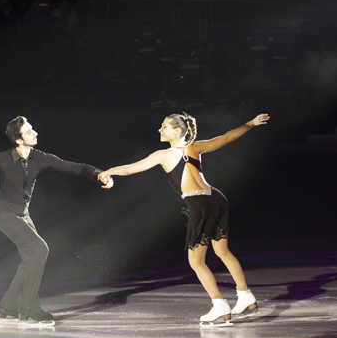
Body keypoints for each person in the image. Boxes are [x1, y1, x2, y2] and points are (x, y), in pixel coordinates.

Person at [99, 112, 269, 324]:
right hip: (216, 199)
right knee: (222, 251)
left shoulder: (163, 155)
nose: (160, 130)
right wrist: (250, 124)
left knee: (196, 262)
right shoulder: (194, 148)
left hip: (200, 205)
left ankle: (219, 304)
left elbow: (131, 169)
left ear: (176, 131)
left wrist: (109, 171)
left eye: (164, 126)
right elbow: (225, 138)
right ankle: (245, 294)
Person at [0, 116, 111, 325]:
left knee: (30, 259)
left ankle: (7, 305)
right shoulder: (2, 159)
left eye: (32, 129)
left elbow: (76, 167)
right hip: (3, 213)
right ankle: (29, 307)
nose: (35, 133)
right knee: (39, 250)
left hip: (23, 214)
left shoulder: (41, 158)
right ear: (18, 140)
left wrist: (99, 175)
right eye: (28, 132)